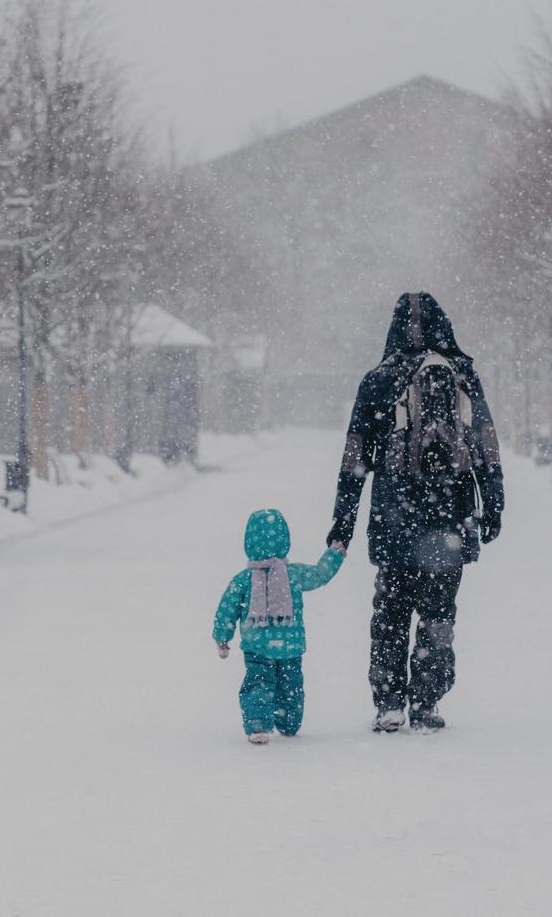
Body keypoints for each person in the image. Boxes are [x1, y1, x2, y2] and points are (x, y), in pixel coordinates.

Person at [327, 292, 504, 733]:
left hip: (394, 521)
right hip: (451, 517)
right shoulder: (462, 375)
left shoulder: (378, 381)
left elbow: (354, 460)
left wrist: (343, 524)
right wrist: (493, 502)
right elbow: (485, 444)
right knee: (439, 613)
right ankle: (427, 701)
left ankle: (389, 703)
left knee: (390, 613)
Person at [213, 509, 346, 745]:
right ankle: (289, 721)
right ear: (285, 539)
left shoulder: (244, 579)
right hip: (290, 646)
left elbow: (228, 608)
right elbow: (319, 574)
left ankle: (258, 725)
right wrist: (334, 554)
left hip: (257, 645)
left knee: (258, 684)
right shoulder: (293, 574)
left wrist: (222, 637)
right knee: (291, 686)